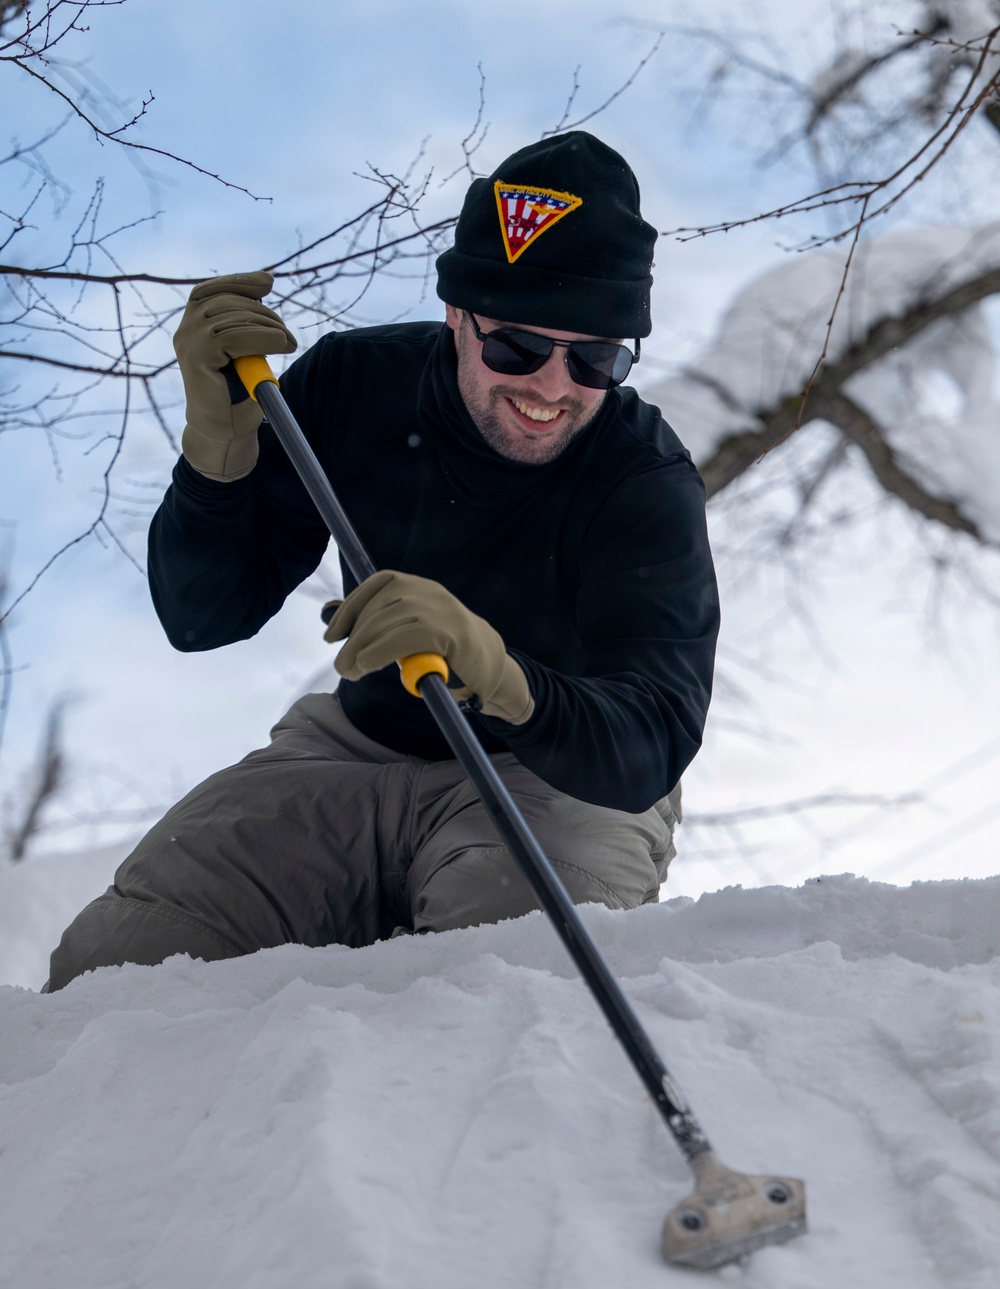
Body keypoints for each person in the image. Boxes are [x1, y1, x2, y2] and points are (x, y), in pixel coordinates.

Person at [46, 131, 719, 991]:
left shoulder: (640, 478)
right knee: (112, 971)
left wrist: (503, 674)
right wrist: (219, 458)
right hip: (351, 752)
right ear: (456, 316)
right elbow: (204, 613)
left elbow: (651, 742)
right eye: (516, 347)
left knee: (510, 982)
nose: (552, 387)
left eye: (595, 358)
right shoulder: (352, 385)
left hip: (556, 778)